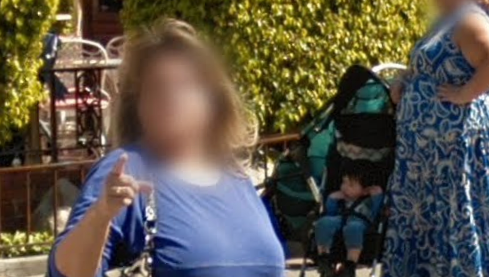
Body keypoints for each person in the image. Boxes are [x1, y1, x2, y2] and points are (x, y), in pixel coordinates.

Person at [50, 20, 285, 277]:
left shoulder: (236, 177)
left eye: (185, 85)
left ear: (213, 100)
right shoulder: (128, 169)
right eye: (156, 87)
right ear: (138, 106)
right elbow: (64, 273)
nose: (170, 98)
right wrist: (101, 213)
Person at [384, 0, 489, 277]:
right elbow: (429, 64)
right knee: (429, 219)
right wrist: (405, 82)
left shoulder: (468, 20)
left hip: (454, 148)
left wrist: (464, 94)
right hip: (427, 154)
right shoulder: (445, 21)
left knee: (457, 215)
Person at [312, 172, 385, 271]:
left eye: (350, 185)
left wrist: (377, 194)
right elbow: (330, 213)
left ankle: (350, 263)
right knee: (323, 222)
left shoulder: (369, 202)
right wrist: (332, 199)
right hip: (340, 219)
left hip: (360, 223)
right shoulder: (342, 200)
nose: (344, 187)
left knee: (353, 227)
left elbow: (376, 210)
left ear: (364, 190)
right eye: (343, 182)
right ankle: (323, 257)